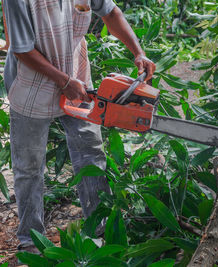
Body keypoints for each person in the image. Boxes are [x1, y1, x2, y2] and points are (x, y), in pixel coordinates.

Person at [2, 0, 156, 254]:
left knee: (91, 152)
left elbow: (111, 12)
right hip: (30, 84)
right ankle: (31, 241)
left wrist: (138, 51)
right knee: (28, 167)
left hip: (76, 76)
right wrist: (63, 82)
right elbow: (21, 49)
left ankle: (102, 227)